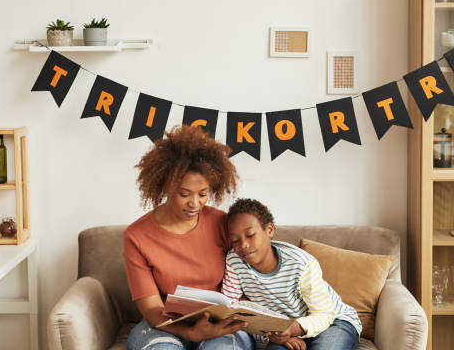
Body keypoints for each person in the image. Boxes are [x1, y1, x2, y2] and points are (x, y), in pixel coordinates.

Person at [124, 125, 255, 350]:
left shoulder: (222, 223)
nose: (195, 203)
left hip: (220, 325)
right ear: (165, 186)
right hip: (165, 325)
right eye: (184, 194)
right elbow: (153, 311)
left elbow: (256, 272)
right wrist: (191, 333)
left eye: (203, 194)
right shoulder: (137, 237)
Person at [222, 198, 361, 350]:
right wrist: (282, 335)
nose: (243, 245)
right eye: (235, 240)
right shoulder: (234, 260)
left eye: (250, 235)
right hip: (282, 330)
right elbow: (230, 308)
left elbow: (324, 314)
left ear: (269, 230)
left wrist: (292, 329)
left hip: (333, 321)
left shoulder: (301, 264)